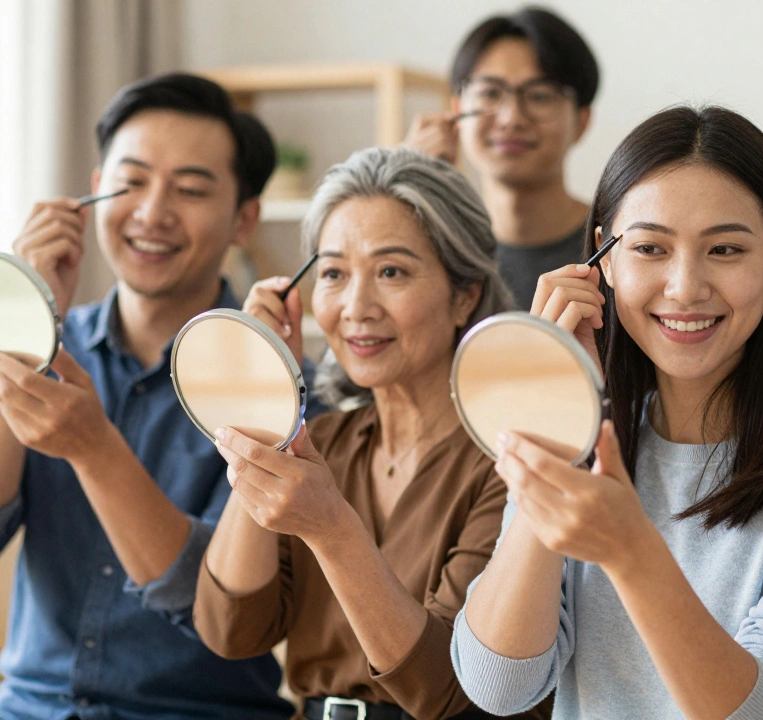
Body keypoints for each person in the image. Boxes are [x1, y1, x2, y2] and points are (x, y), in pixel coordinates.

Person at [452, 105, 763, 719]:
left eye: (724, 249)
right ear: (604, 261)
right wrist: (558, 416)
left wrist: (632, 552)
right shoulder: (576, 440)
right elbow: (497, 686)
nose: (685, 286)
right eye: (650, 248)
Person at [194, 147, 548, 720]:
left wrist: (334, 531)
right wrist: (263, 402)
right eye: (333, 274)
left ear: (465, 295)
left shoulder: (514, 462)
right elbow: (231, 629)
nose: (356, 307)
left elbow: (450, 689)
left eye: (392, 272)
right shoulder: (320, 443)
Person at [0, 73, 293, 719]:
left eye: (190, 190)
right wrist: (25, 321)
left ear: (244, 217)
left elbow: (216, 607)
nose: (152, 211)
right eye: (130, 182)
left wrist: (96, 450)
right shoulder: (48, 342)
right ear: (95, 187)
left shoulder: (274, 385)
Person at [401, 6, 598, 311]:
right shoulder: (434, 245)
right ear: (457, 110)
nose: (511, 118)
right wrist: (404, 191)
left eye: (540, 95)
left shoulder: (615, 246)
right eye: (490, 93)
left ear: (581, 121)